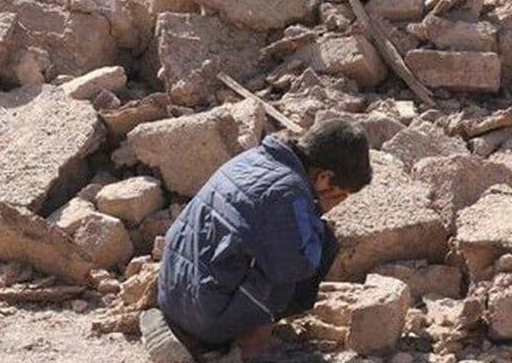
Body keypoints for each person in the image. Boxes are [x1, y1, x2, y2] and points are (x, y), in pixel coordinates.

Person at [142, 118, 373, 362]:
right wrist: (315, 213)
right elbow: (299, 265)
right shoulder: (289, 192)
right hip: (206, 315)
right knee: (320, 244)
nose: (339, 202)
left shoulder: (255, 158)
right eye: (341, 195)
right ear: (325, 177)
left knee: (270, 245)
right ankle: (247, 346)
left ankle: (186, 332)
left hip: (171, 293)